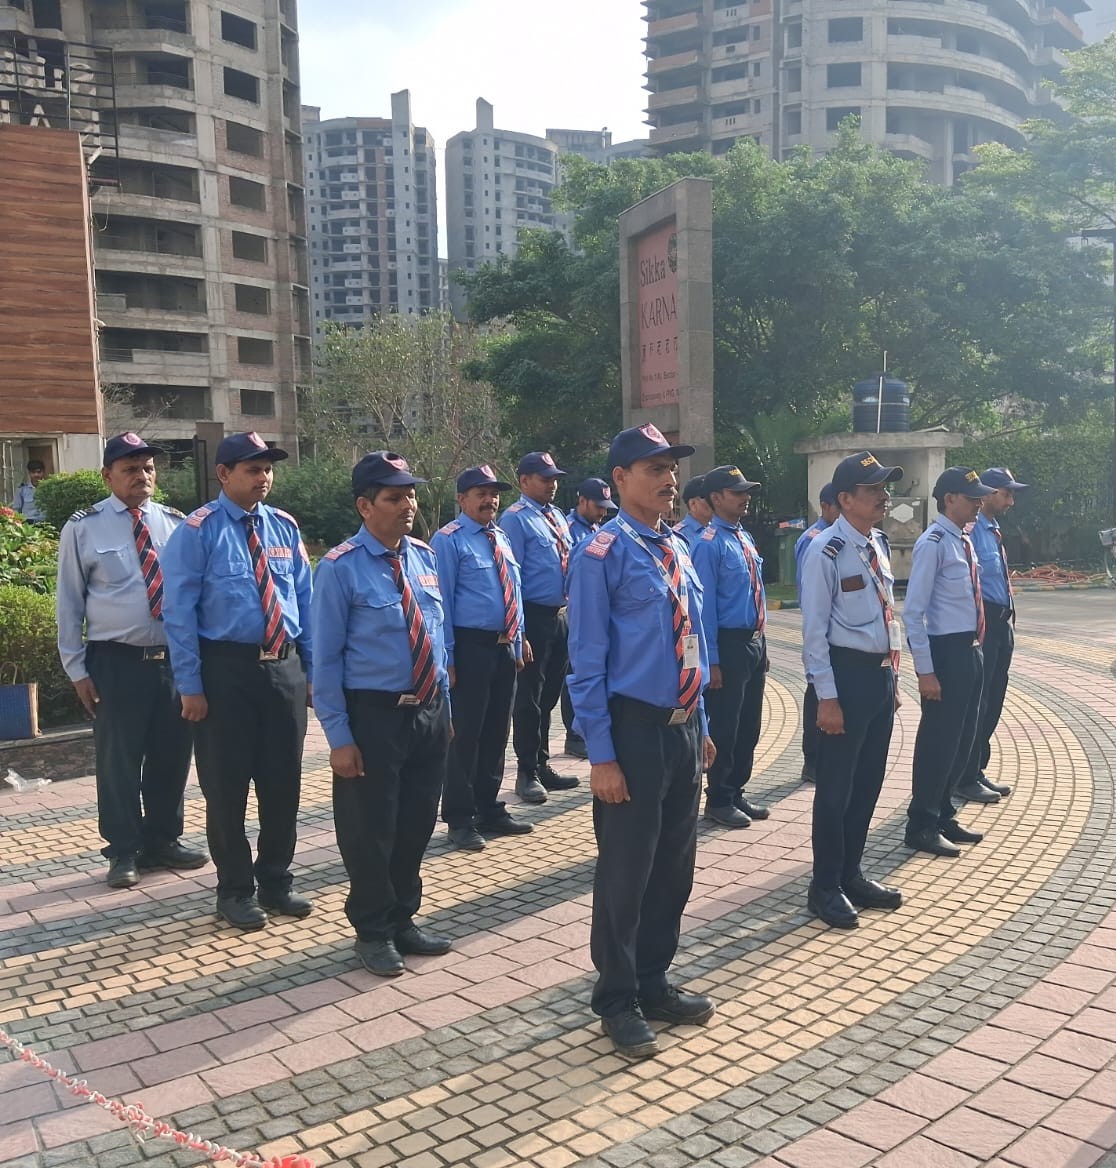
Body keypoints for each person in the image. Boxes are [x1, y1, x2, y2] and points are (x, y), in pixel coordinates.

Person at [567, 422, 717, 1061]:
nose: (668, 479)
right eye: (653, 468)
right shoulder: (601, 554)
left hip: (681, 731)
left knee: (674, 867)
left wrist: (702, 725)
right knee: (627, 871)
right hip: (631, 732)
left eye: (672, 467)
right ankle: (618, 997)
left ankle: (655, 979)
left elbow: (694, 644)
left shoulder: (676, 547)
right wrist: (601, 754)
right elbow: (586, 663)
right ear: (620, 479)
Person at [162, 431, 313, 930]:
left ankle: (276, 880)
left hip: (283, 668)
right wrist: (191, 686)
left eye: (268, 468)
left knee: (283, 783)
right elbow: (179, 614)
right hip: (225, 671)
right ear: (224, 474)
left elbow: (305, 606)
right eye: (252, 468)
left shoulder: (285, 528)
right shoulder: (198, 530)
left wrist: (309, 673)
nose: (263, 477)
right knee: (226, 788)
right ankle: (234, 890)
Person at [311, 451, 452, 976]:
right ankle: (371, 930)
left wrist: (445, 710)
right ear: (365, 506)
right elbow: (324, 660)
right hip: (373, 716)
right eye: (395, 497)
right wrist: (339, 738)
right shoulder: (339, 568)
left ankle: (403, 919)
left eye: (410, 494)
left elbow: (440, 639)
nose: (408, 504)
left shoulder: (422, 556)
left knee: (416, 823)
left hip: (428, 712)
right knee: (371, 830)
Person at [55, 432, 205, 889]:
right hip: (116, 663)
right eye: (130, 470)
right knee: (119, 761)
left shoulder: (176, 524)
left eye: (148, 469)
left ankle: (163, 839)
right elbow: (69, 605)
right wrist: (76, 669)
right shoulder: (83, 528)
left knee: (171, 754)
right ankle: (123, 850)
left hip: (172, 662)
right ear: (108, 476)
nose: (142, 477)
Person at [800, 453, 904, 929]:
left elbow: (887, 617)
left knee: (868, 783)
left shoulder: (876, 543)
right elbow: (815, 633)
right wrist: (827, 698)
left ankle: (852, 873)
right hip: (844, 678)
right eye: (872, 489)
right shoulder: (825, 551)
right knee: (836, 789)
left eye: (885, 487)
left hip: (879, 676)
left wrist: (894, 678)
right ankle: (824, 887)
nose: (884, 496)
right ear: (845, 499)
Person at [432, 465, 531, 853]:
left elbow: (514, 591)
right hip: (469, 648)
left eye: (493, 494)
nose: (490, 500)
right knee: (465, 736)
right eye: (480, 493)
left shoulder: (501, 537)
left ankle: (489, 807)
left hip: (504, 647)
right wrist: (450, 658)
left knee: (496, 732)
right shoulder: (449, 540)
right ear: (462, 499)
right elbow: (443, 605)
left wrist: (520, 638)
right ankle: (459, 817)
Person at [904, 467, 996, 858]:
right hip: (945, 653)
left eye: (979, 496)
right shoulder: (934, 542)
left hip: (970, 649)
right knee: (938, 742)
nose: (978, 502)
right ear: (949, 499)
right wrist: (926, 670)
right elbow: (913, 612)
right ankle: (921, 823)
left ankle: (942, 812)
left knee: (962, 739)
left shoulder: (964, 540)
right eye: (970, 496)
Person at [690, 465, 770, 828]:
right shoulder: (708, 545)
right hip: (727, 644)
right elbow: (702, 610)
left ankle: (737, 789)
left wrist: (763, 645)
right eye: (737, 492)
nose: (745, 498)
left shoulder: (744, 538)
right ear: (717, 498)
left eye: (746, 491)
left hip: (752, 644)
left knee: (749, 725)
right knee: (726, 726)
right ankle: (719, 797)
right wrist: (713, 663)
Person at [500, 451, 579, 803]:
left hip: (560, 616)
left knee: (548, 698)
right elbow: (510, 577)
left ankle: (543, 764)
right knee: (529, 700)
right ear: (524, 481)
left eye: (554, 478)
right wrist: (519, 630)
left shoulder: (558, 517)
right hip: (532, 616)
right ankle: (526, 771)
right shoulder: (515, 519)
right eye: (545, 478)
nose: (552, 484)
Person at [958, 467, 1029, 800]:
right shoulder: (971, 531)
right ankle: (965, 775)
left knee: (994, 700)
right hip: (985, 624)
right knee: (979, 701)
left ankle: (977, 769)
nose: (1011, 501)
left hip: (1003, 624)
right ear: (987, 494)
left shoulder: (994, 529)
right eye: (1006, 493)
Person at [560, 477, 619, 757]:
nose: (603, 511)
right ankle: (575, 733)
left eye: (607, 506)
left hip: (595, 610)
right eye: (598, 505)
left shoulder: (600, 530)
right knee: (578, 672)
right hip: (575, 612)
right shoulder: (567, 529)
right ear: (582, 501)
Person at [795, 482, 840, 783]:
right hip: (819, 630)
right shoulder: (814, 540)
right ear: (826, 506)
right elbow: (809, 591)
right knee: (816, 691)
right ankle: (811, 759)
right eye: (839, 505)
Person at [673, 475, 711, 547]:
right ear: (693, 504)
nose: (714, 501)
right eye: (708, 497)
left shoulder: (716, 529)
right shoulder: (678, 535)